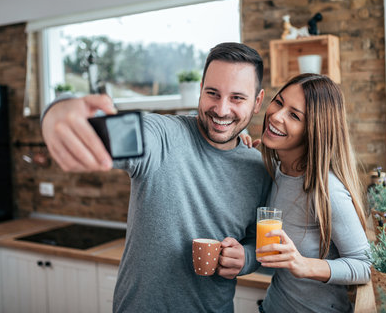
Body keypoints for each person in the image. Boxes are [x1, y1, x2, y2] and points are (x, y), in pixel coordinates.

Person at [41, 42, 272, 312]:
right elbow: (106, 133)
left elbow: (260, 242)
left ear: (257, 101)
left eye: (237, 98)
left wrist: (244, 258)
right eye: (212, 93)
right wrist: (57, 112)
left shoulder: (259, 169)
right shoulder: (162, 135)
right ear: (200, 89)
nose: (221, 110)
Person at [252, 73, 370, 313]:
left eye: (294, 115)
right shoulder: (276, 170)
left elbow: (365, 266)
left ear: (314, 130)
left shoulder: (327, 189)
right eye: (278, 101)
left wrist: (304, 265)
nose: (275, 116)